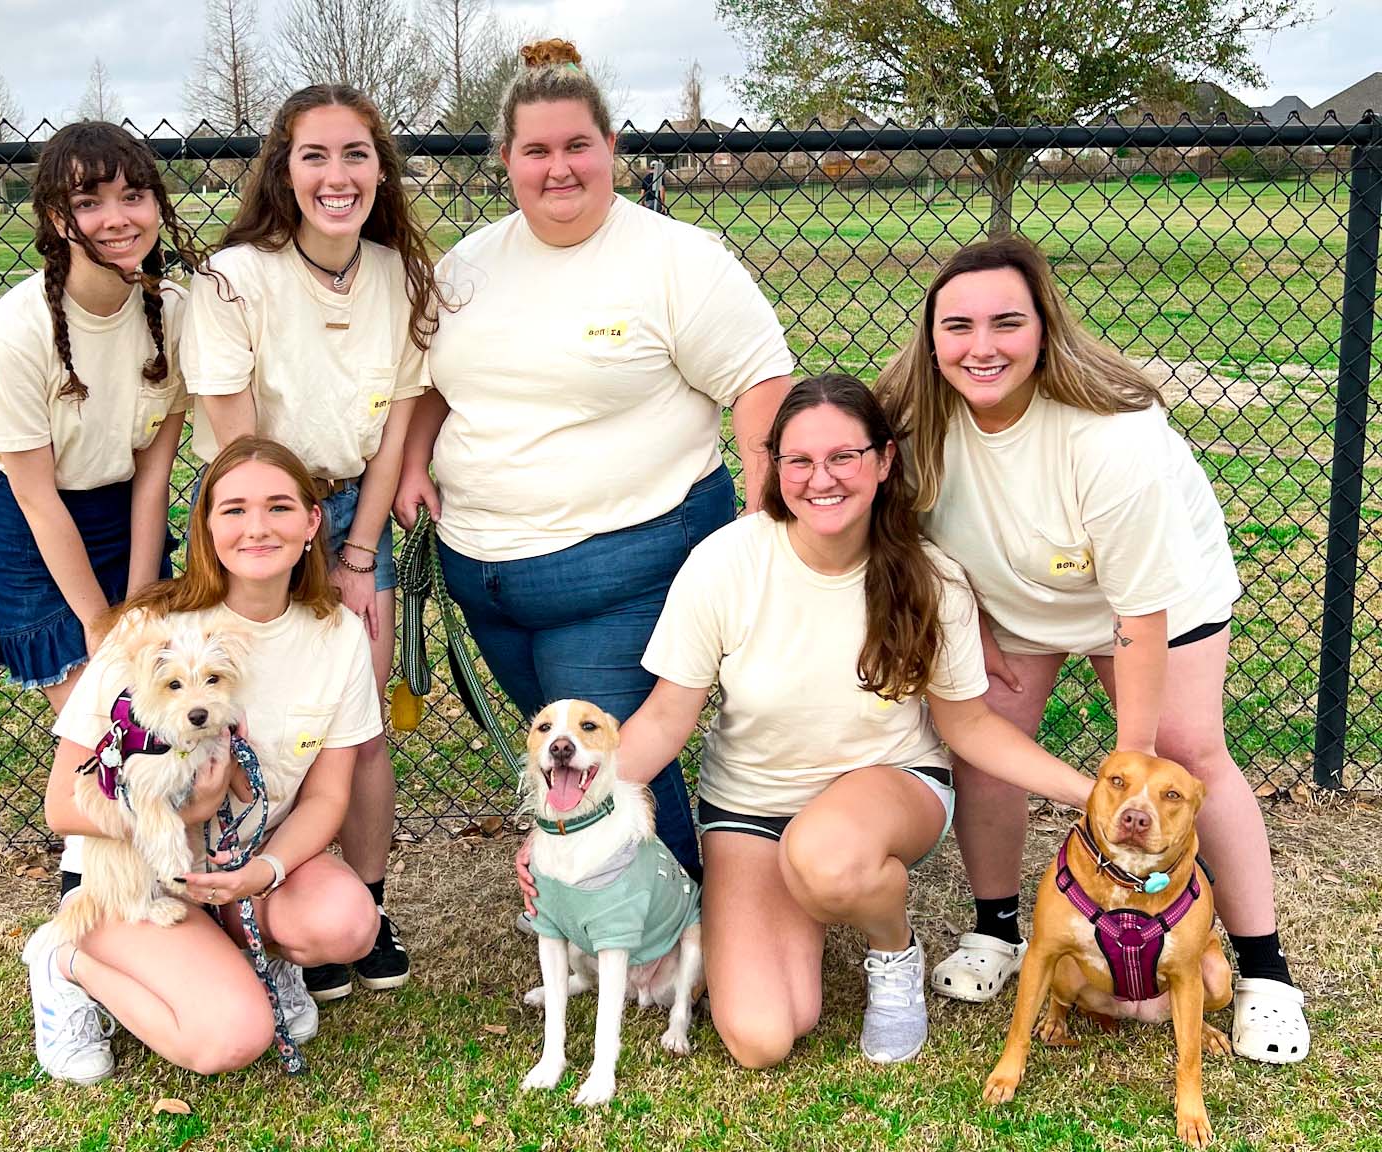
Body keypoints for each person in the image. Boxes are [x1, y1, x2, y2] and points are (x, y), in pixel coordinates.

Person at [516, 375, 1094, 1068]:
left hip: (889, 786)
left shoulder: (929, 577)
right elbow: (667, 719)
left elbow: (969, 727)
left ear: (884, 460)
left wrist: (1092, 794)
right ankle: (811, 903)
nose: (822, 479)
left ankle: (892, 949)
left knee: (826, 856)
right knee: (762, 1036)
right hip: (752, 806)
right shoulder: (726, 562)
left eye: (844, 457)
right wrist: (562, 821)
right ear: (775, 467)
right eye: (800, 461)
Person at [876, 234, 1309, 1064]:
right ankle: (997, 929)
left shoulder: (1113, 435)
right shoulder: (913, 420)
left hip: (1150, 591)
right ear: (930, 338)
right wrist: (970, 626)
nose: (981, 346)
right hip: (1016, 585)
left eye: (1007, 322)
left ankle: (1265, 972)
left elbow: (1139, 610)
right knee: (991, 743)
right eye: (958, 325)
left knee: (1186, 753)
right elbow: (903, 534)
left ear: (1044, 328)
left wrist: (1132, 776)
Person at [394, 38, 794, 887]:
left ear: (611, 146)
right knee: (571, 758)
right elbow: (437, 381)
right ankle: (606, 896)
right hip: (483, 576)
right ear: (506, 159)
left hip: (623, 564)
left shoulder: (676, 259)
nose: (559, 167)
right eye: (536, 150)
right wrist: (415, 462)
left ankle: (676, 908)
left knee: (614, 757)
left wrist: (765, 517)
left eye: (578, 145)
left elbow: (760, 381)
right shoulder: (469, 263)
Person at [182, 84, 442, 998]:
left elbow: (397, 430)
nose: (338, 176)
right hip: (254, 520)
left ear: (382, 170)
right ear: (283, 173)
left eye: (356, 155)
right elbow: (243, 457)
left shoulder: (401, 278)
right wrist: (285, 541)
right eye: (315, 156)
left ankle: (360, 908)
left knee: (357, 727)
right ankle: (235, 902)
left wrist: (359, 556)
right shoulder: (232, 280)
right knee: (236, 719)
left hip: (349, 517)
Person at [19, 436, 384, 1084]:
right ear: (207, 529)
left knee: (346, 922)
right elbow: (61, 806)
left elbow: (329, 797)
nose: (257, 527)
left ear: (312, 523)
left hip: (242, 862)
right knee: (230, 1038)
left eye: (278, 507)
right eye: (234, 510)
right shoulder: (151, 633)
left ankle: (251, 955)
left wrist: (264, 873)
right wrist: (190, 811)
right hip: (135, 875)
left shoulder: (339, 636)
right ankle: (66, 962)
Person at [0, 120, 201, 718]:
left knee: (156, 716)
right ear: (57, 218)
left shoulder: (174, 313)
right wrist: (100, 623)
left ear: (156, 205)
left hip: (129, 519)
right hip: (38, 532)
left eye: (133, 196)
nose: (117, 219)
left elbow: (153, 477)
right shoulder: (17, 330)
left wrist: (138, 606)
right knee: (101, 723)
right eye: (88, 202)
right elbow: (36, 496)